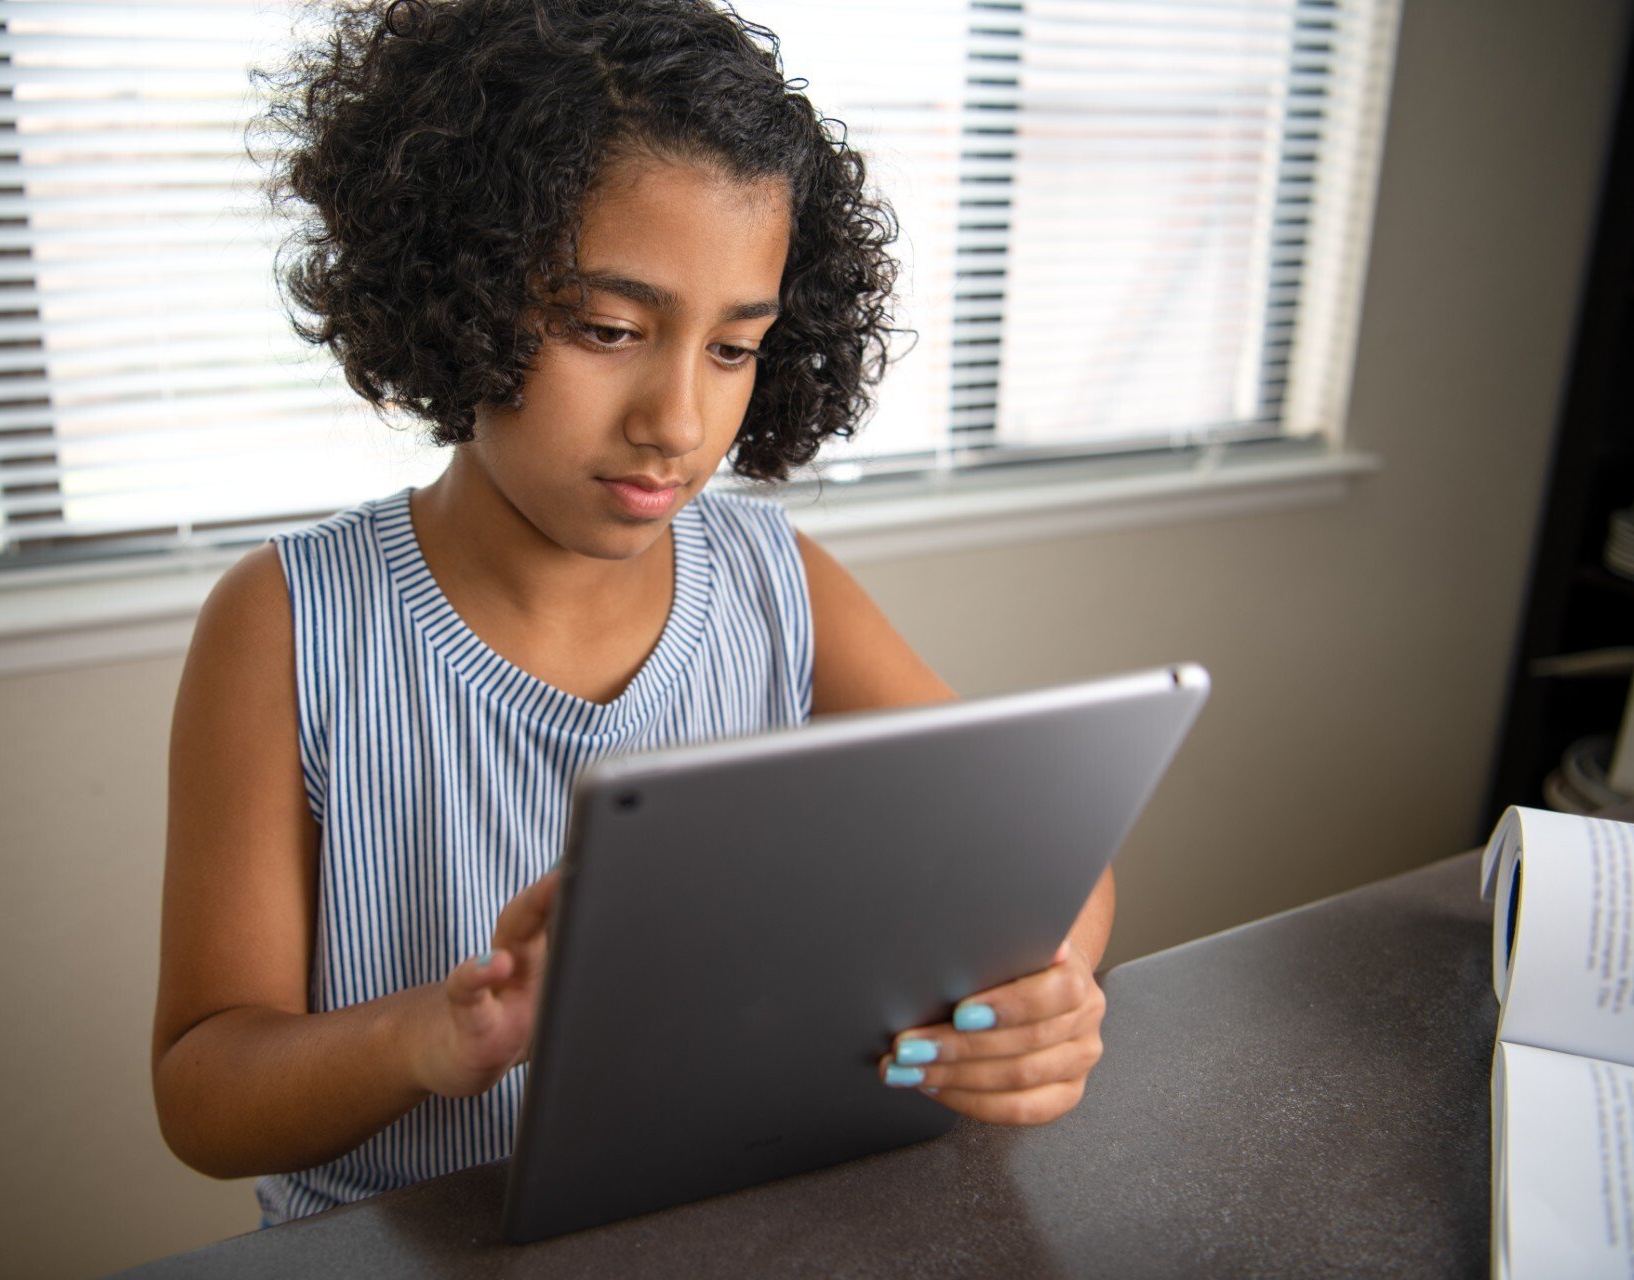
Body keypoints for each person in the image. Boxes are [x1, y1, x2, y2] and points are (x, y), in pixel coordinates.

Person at [152, 0, 1113, 1228]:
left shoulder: (779, 583)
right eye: (608, 330)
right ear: (459, 285)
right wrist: (434, 1036)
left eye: (733, 348)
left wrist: (1046, 985)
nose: (678, 421)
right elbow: (203, 1092)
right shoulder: (290, 625)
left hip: (724, 1221)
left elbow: (1046, 852)